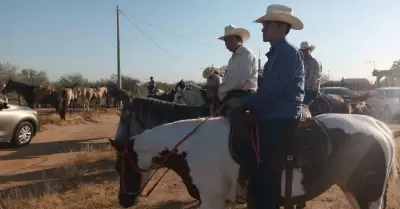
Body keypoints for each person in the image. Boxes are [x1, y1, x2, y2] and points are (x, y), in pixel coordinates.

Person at [227, 4, 305, 209]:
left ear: (281, 26)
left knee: (263, 171)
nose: (262, 29)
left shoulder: (286, 53)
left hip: (281, 117)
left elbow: (270, 93)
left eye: (266, 24)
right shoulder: (275, 54)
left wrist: (242, 102)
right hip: (270, 113)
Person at [210, 25, 258, 113]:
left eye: (230, 39)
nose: (227, 43)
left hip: (244, 95)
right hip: (233, 93)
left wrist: (218, 89)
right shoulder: (232, 59)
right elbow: (229, 80)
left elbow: (238, 82)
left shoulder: (246, 54)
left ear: (239, 40)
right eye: (225, 40)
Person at [300, 41, 322, 106]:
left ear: (309, 50)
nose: (303, 51)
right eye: (302, 50)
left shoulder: (315, 63)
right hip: (301, 90)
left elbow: (314, 80)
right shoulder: (300, 62)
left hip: (311, 92)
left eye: (305, 50)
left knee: (304, 107)